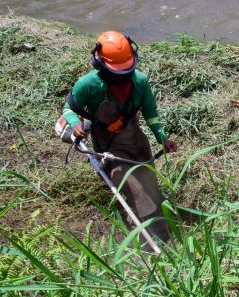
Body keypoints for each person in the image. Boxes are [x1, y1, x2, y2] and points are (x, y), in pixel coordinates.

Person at [62, 31, 178, 243]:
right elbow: (69, 108)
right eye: (117, 74)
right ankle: (151, 238)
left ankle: (155, 213)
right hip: (109, 146)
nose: (123, 78)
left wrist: (162, 137)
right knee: (135, 188)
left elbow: (151, 114)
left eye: (127, 72)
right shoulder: (88, 85)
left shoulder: (140, 82)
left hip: (137, 142)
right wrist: (75, 124)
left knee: (149, 180)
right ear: (99, 65)